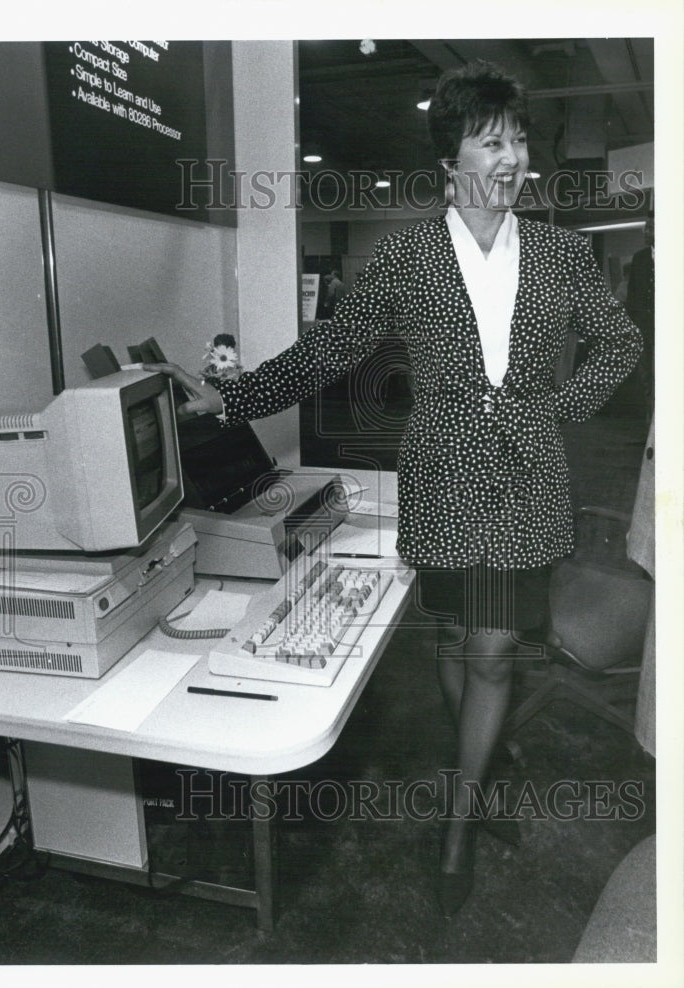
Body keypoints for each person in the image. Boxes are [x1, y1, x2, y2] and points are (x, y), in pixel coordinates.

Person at [147, 61, 642, 917]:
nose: (513, 156)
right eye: (493, 141)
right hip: (444, 469)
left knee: (491, 651)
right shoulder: (409, 258)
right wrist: (236, 397)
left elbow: (621, 342)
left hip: (524, 475)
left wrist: (558, 406)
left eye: (519, 138)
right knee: (454, 641)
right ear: (450, 162)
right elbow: (331, 350)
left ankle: (456, 822)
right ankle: (478, 781)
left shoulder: (560, 253)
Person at [625, 214, 655, 424]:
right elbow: (632, 295)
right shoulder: (640, 258)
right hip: (643, 326)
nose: (645, 232)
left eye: (650, 228)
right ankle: (650, 429)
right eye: (645, 227)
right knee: (646, 376)